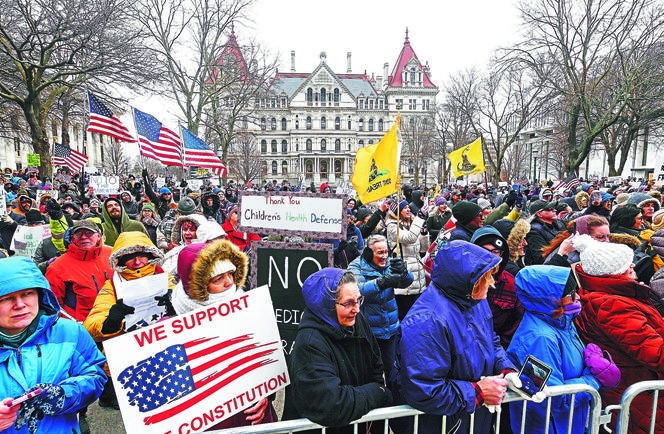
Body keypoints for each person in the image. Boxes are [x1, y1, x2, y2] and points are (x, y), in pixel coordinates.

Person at [390, 240, 517, 433]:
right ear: (466, 280)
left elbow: (491, 341)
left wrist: (506, 368)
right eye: (484, 280)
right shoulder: (427, 321)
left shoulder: (474, 300)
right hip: (441, 424)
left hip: (471, 419)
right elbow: (422, 389)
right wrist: (477, 392)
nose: (490, 286)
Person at [171, 240, 275, 428]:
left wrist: (266, 394)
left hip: (250, 418)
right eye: (217, 279)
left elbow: (265, 363)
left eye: (230, 273)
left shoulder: (250, 308)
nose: (229, 283)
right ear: (198, 286)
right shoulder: (171, 330)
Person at [0, 257, 106, 434]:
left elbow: (95, 376)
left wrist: (62, 394)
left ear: (40, 294)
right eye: (6, 298)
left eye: (27, 293)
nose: (20, 305)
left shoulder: (71, 333)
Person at [573, 235, 664, 434]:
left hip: (640, 394)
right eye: (624, 264)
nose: (632, 265)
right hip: (641, 398)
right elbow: (654, 353)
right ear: (609, 273)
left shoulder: (613, 297)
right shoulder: (612, 305)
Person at [283, 269, 391, 432]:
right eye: (348, 303)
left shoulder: (356, 320)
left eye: (358, 300)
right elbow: (333, 404)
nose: (356, 309)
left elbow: (375, 361)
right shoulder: (309, 344)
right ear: (326, 305)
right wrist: (377, 393)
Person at [507, 265, 607, 434]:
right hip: (548, 426)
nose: (577, 298)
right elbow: (552, 397)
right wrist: (594, 380)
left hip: (566, 423)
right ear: (548, 299)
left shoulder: (561, 322)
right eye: (569, 294)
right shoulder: (539, 339)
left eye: (575, 290)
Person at [83, 231, 174, 408]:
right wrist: (110, 322)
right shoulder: (112, 286)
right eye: (131, 257)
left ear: (150, 255)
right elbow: (90, 324)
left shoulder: (164, 277)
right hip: (125, 357)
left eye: (141, 255)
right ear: (121, 261)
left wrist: (175, 304)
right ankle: (108, 395)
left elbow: (188, 313)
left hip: (161, 350)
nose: (138, 262)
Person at [348, 235, 413, 378]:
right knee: (369, 373)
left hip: (389, 329)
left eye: (386, 252)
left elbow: (407, 282)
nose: (384, 256)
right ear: (369, 253)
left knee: (392, 372)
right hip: (368, 332)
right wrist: (382, 282)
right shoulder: (355, 266)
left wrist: (404, 272)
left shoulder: (390, 263)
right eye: (380, 253)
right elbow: (358, 290)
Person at [45, 220, 112, 322]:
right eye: (79, 234)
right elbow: (51, 306)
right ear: (72, 238)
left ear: (99, 236)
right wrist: (71, 325)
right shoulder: (57, 267)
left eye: (89, 233)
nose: (84, 237)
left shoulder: (112, 254)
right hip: (82, 326)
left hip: (116, 321)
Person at [385, 200, 429, 320]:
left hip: (418, 277)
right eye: (405, 208)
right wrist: (419, 220)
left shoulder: (412, 224)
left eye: (409, 207)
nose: (408, 210)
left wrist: (424, 233)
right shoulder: (392, 227)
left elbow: (423, 249)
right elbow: (410, 238)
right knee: (405, 316)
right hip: (404, 278)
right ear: (397, 212)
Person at [525, 200, 562, 265]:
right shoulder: (533, 232)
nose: (554, 210)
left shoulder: (559, 224)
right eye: (550, 209)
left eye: (554, 208)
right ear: (539, 214)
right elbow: (540, 258)